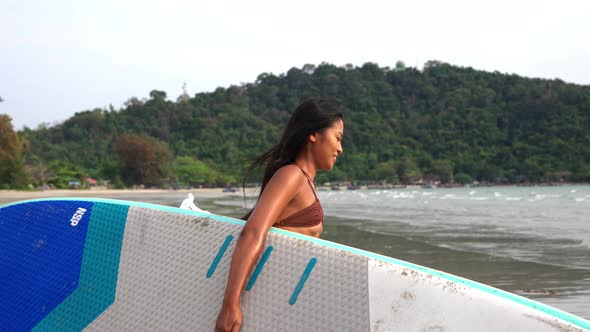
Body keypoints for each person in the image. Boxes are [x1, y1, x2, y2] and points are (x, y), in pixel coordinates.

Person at [214, 98, 344, 332]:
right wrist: (230, 304)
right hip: (262, 302)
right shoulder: (292, 175)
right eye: (338, 138)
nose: (340, 148)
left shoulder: (305, 182)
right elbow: (253, 232)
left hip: (282, 303)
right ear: (314, 134)